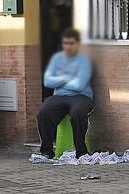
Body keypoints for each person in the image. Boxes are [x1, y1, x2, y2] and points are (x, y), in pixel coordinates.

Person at [37, 28, 94, 159]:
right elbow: (47, 81)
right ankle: (46, 151)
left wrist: (58, 80)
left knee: (78, 113)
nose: (68, 46)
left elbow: (79, 85)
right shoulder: (57, 58)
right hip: (59, 96)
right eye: (65, 43)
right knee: (44, 112)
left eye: (71, 43)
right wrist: (67, 78)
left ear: (78, 44)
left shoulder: (84, 60)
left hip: (81, 96)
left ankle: (81, 151)